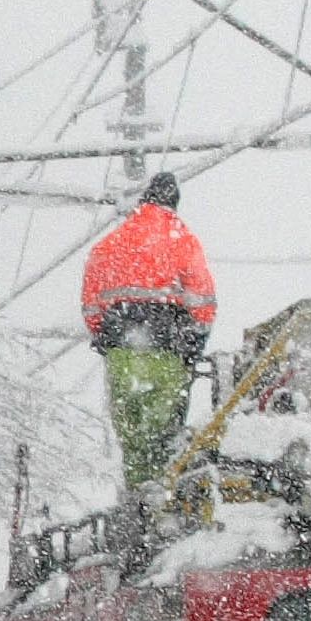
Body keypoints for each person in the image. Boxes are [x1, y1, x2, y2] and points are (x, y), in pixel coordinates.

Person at [79, 171, 217, 488]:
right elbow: (204, 300)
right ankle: (159, 501)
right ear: (174, 203)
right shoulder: (182, 240)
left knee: (131, 430)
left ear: (144, 200)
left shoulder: (110, 244)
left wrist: (103, 335)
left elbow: (90, 303)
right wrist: (197, 339)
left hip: (121, 351)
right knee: (163, 431)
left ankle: (135, 500)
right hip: (167, 348)